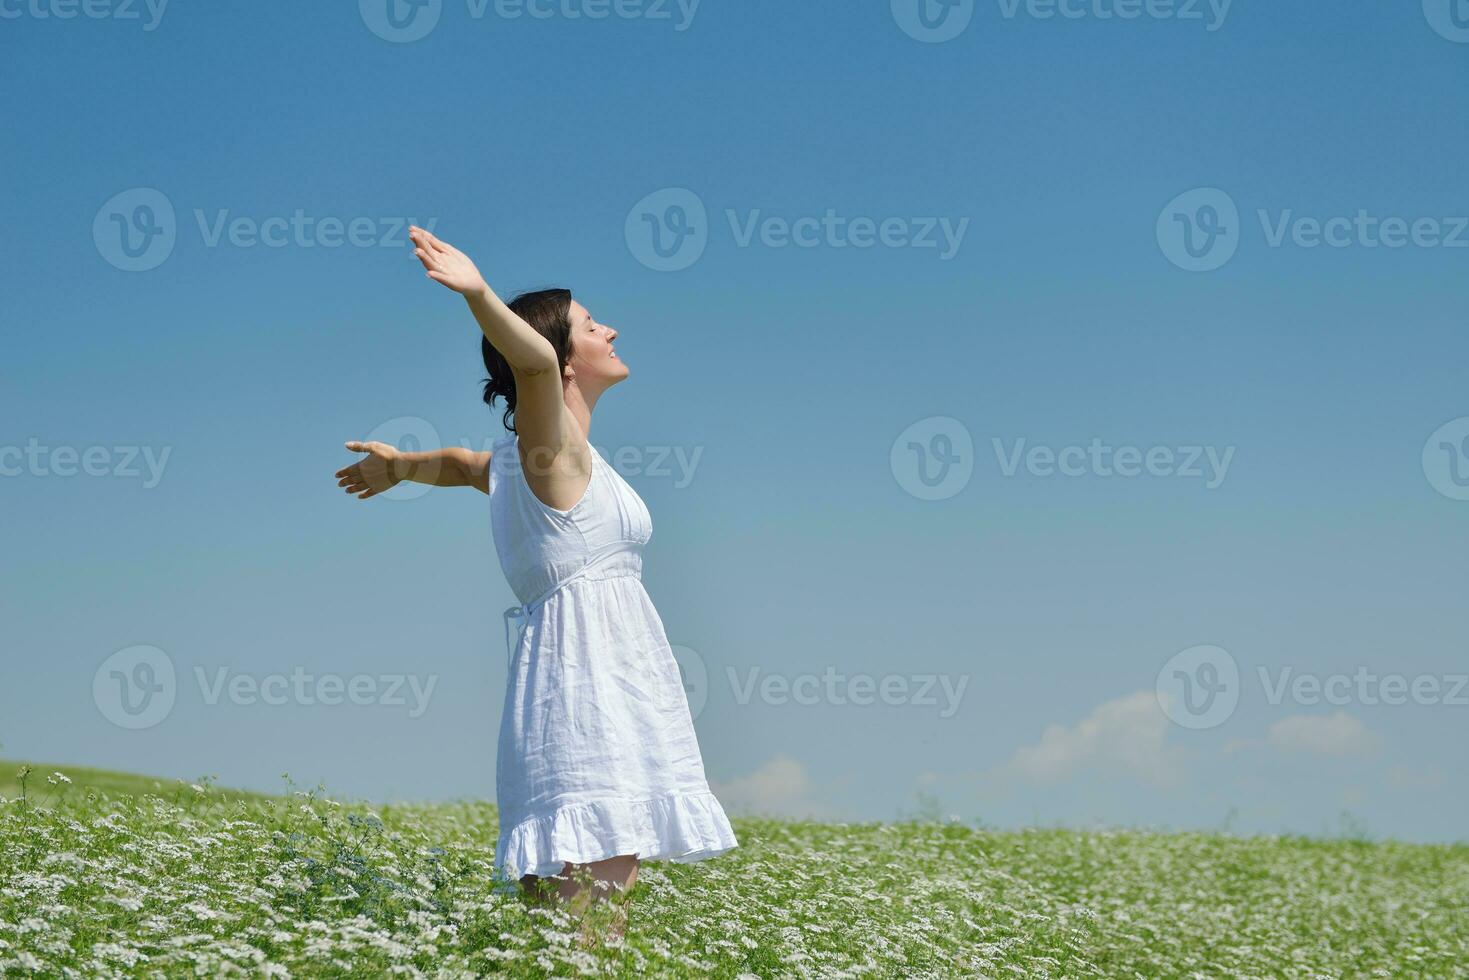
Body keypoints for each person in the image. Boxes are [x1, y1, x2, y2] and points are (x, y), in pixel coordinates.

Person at [333, 226, 738, 942]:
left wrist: (399, 468)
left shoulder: (526, 460)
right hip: (587, 692)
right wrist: (479, 294)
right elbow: (531, 371)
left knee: (580, 921)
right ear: (563, 359)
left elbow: (463, 463)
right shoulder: (548, 450)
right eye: (590, 324)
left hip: (591, 683)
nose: (610, 329)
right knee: (589, 925)